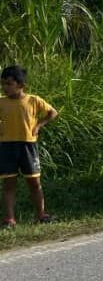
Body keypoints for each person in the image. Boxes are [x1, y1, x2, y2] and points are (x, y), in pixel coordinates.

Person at [1, 65, 59, 229]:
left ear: (20, 85)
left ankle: (41, 214)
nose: (5, 87)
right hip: (7, 147)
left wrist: (39, 125)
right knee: (9, 184)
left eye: (9, 84)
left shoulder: (33, 100)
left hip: (28, 145)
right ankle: (10, 219)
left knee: (34, 182)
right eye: (3, 84)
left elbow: (52, 113)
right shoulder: (1, 102)